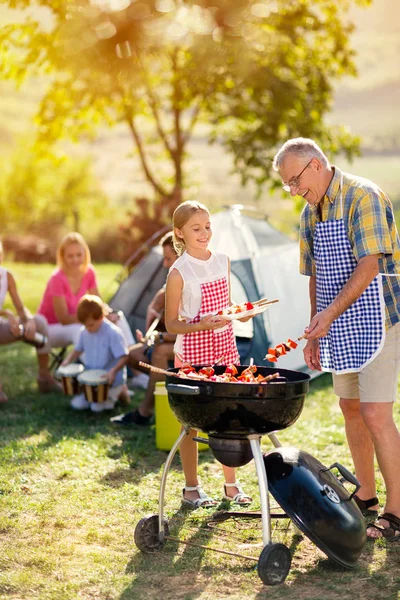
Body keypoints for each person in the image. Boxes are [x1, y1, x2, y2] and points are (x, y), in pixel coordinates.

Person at [273, 137, 400, 541]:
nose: (294, 190)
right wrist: (315, 329)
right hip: (337, 324)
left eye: (295, 180)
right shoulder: (310, 212)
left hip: (378, 319)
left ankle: (398, 511)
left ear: (315, 165)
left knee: (377, 415)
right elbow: (314, 275)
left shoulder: (364, 196)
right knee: (350, 407)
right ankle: (366, 495)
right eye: (287, 185)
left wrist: (329, 315)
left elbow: (368, 266)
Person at [165, 200, 253, 509]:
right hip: (192, 353)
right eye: (196, 228)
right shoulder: (178, 273)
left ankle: (231, 485)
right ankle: (191, 487)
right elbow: (171, 322)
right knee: (192, 422)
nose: (205, 233)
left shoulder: (223, 261)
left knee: (228, 416)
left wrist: (240, 315)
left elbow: (226, 307)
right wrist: (201, 324)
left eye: (207, 226)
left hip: (225, 347)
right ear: (180, 233)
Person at [37, 232, 134, 390]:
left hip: (79, 321)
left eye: (78, 255)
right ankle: (96, 378)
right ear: (63, 257)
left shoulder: (88, 272)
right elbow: (63, 318)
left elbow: (98, 302)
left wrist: (107, 314)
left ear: (85, 254)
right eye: (70, 256)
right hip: (50, 329)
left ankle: (134, 370)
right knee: (81, 330)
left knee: (118, 319)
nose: (75, 260)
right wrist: (95, 319)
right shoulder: (57, 279)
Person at [111, 231, 178, 426]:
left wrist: (161, 337)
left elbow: (191, 331)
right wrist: (149, 332)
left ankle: (145, 412)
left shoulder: (189, 286)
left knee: (159, 353)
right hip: (170, 341)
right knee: (131, 354)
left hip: (194, 345)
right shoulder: (168, 287)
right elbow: (156, 321)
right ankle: (163, 399)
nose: (164, 264)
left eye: (168, 259)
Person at [0, 240, 61, 401]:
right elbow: (10, 311)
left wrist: (29, 320)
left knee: (39, 321)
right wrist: (6, 312)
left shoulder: (7, 276)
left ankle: (44, 377)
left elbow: (20, 308)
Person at [61, 294, 128, 412]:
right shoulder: (84, 331)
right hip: (92, 380)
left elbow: (124, 356)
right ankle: (112, 395)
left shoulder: (113, 333)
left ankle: (120, 390)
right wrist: (68, 360)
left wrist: (113, 371)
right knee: (78, 405)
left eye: (91, 324)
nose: (88, 328)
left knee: (96, 408)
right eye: (85, 325)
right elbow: (78, 349)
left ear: (101, 317)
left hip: (109, 379)